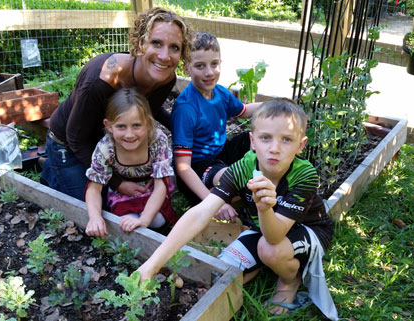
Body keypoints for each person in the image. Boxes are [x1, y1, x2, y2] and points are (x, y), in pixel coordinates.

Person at [139, 98, 338, 319]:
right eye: (265, 138)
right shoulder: (244, 166)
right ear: (252, 141)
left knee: (268, 249)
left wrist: (264, 209)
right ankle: (263, 264)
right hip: (263, 228)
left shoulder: (304, 175)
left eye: (287, 140)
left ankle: (290, 280)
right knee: (222, 272)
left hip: (308, 229)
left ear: (301, 145)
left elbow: (274, 237)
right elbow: (201, 212)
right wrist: (152, 265)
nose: (274, 148)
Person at [41, 7, 193, 201]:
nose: (165, 56)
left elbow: (151, 110)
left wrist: (186, 131)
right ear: (140, 43)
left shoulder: (165, 78)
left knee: (137, 199)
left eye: (174, 47)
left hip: (110, 142)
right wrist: (117, 183)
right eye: (156, 43)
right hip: (69, 144)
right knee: (99, 208)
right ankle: (53, 165)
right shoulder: (100, 82)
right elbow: (76, 139)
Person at [170, 32, 261, 221]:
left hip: (221, 154)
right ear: (186, 68)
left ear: (220, 62)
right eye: (199, 66)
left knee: (254, 139)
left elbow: (243, 111)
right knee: (232, 176)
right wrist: (211, 201)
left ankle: (237, 192)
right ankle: (216, 198)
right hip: (197, 167)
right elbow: (183, 167)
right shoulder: (186, 107)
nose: (209, 72)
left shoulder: (220, 92)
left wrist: (277, 105)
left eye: (214, 64)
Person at [84, 88, 178, 237]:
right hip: (123, 192)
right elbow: (94, 188)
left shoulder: (157, 141)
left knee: (157, 220)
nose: (129, 135)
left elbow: (161, 185)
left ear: (147, 123)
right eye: (121, 126)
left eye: (136, 125)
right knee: (125, 222)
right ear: (109, 126)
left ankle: (147, 220)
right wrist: (94, 217)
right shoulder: (106, 148)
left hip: (152, 188)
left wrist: (144, 220)